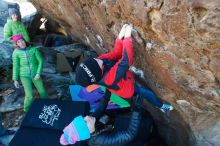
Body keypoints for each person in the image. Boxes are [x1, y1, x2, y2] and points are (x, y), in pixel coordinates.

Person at [75, 24, 173, 113]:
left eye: (95, 59)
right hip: (128, 89)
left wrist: (119, 38)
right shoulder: (109, 80)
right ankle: (161, 106)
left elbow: (116, 54)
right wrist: (127, 38)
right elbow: (126, 61)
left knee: (141, 90)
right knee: (148, 93)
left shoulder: (98, 61)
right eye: (97, 63)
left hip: (125, 79)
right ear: (98, 73)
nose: (99, 59)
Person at [60, 93, 149, 146]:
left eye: (83, 118)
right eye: (85, 122)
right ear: (87, 132)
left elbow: (99, 110)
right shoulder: (99, 140)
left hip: (120, 124)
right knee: (147, 127)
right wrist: (136, 110)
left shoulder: (90, 124)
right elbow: (129, 135)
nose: (86, 117)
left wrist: (106, 95)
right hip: (131, 133)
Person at [11, 34, 48, 112]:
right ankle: (26, 110)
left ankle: (48, 104)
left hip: (35, 74)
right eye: (18, 42)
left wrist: (38, 73)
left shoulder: (33, 49)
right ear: (16, 44)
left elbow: (40, 61)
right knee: (29, 95)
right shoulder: (16, 53)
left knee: (42, 91)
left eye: (22, 40)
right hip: (24, 76)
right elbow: (16, 66)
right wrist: (15, 79)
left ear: (24, 40)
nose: (21, 43)